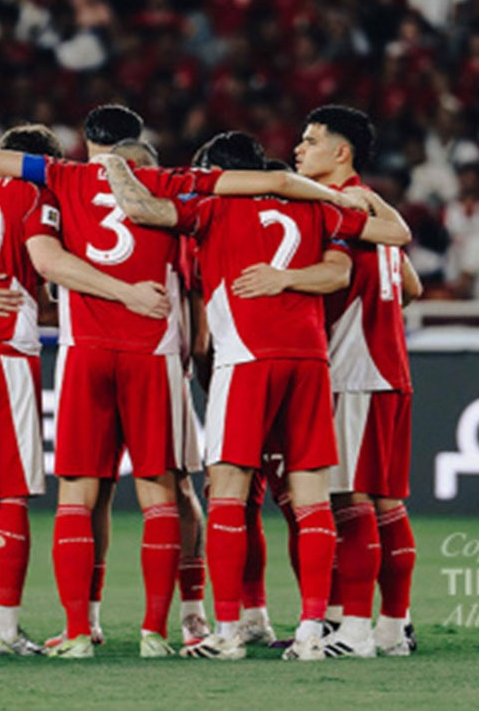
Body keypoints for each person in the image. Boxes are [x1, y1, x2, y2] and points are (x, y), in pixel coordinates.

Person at [0, 104, 364, 658]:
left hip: (82, 352)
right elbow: (277, 187)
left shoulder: (62, 178)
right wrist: (336, 197)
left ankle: (75, 630)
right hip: (157, 355)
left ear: (93, 146)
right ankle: (162, 630)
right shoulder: (173, 184)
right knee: (167, 493)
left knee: (77, 495)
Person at [99, 129, 409, 661]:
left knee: (228, 489)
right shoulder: (317, 208)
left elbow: (141, 210)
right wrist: (325, 230)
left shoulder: (212, 205)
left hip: (246, 356)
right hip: (310, 358)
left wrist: (109, 164)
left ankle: (228, 631)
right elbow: (377, 247)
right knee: (312, 495)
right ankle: (312, 632)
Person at [0, 124, 175, 656]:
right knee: (8, 495)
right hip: (2, 351)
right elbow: (45, 262)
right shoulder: (34, 194)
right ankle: (3, 630)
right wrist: (123, 294)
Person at [290, 105, 421, 657]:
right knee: (387, 503)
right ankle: (393, 627)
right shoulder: (370, 206)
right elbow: (411, 286)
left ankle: (357, 631)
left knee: (350, 499)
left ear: (341, 152)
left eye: (310, 140)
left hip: (355, 369)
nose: (299, 149)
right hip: (390, 369)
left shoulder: (339, 209)